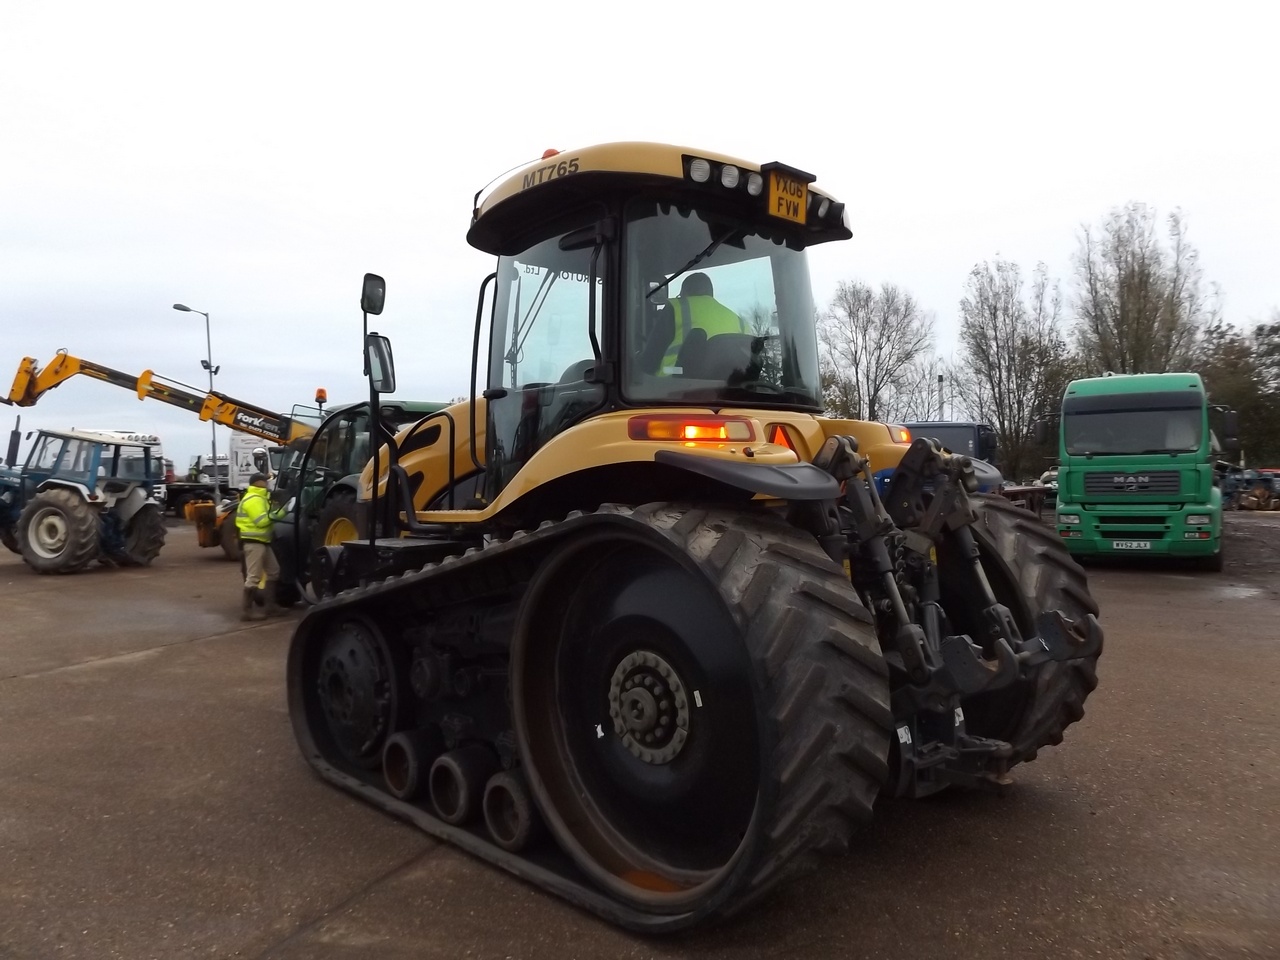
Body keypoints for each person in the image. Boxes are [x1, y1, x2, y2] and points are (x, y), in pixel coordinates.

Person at [658, 272, 746, 373]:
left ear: (685, 292)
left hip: (673, 382)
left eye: (680, 295)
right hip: (728, 386)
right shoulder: (741, 322)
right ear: (711, 294)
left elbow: (649, 361)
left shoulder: (675, 307)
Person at [235, 472, 286, 621]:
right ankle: (246, 612)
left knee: (274, 571)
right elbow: (262, 521)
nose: (267, 483)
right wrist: (283, 511)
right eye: (265, 481)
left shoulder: (261, 498)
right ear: (258, 483)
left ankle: (270, 607)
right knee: (253, 577)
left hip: (263, 542)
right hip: (254, 543)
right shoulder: (253, 500)